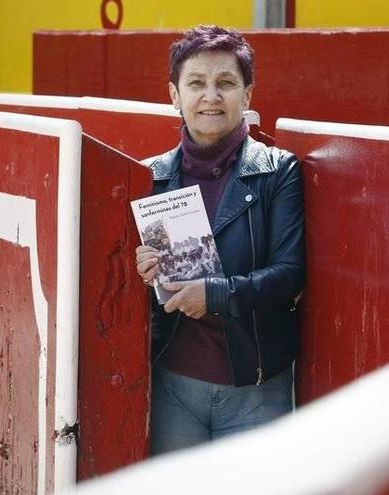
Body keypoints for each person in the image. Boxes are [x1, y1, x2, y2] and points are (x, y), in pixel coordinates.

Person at [134, 25, 305, 455]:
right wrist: (140, 269)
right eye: (196, 84)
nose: (211, 96)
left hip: (255, 390)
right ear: (174, 95)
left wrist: (214, 294)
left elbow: (290, 275)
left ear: (247, 96)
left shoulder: (277, 171)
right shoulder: (150, 177)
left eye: (226, 83)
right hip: (173, 385)